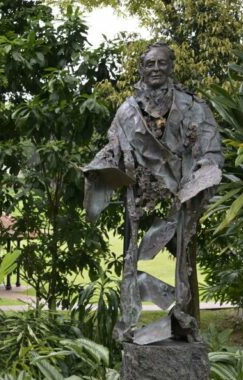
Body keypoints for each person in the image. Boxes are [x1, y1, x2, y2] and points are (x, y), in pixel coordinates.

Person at [83, 42, 223, 344]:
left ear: (171, 66)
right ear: (142, 69)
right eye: (150, 64)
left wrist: (202, 175)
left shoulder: (192, 106)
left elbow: (212, 149)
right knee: (135, 257)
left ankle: (181, 317)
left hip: (180, 197)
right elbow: (113, 148)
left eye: (162, 63)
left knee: (181, 259)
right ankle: (132, 323)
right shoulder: (127, 112)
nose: (156, 69)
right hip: (141, 198)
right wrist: (99, 166)